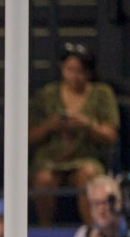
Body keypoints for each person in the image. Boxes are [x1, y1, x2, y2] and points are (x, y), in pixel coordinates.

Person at [29, 43, 120, 226]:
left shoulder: (102, 93)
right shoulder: (47, 94)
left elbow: (110, 135)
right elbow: (28, 136)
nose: (75, 76)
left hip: (86, 158)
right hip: (51, 160)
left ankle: (92, 230)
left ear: (89, 72)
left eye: (80, 71)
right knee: (43, 178)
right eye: (70, 70)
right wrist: (50, 126)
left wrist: (87, 125)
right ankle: (44, 229)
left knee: (88, 173)